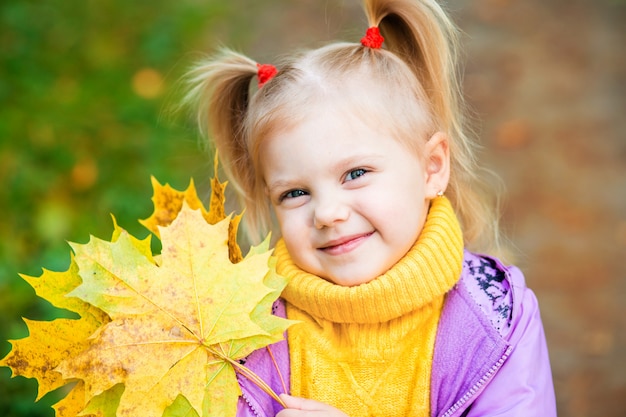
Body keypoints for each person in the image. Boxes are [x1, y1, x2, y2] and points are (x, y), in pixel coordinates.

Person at [183, 0, 557, 415]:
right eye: (294, 194)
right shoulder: (245, 331)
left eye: (356, 173)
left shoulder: (495, 317)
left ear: (431, 167)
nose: (327, 213)